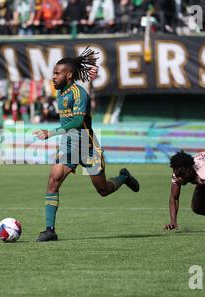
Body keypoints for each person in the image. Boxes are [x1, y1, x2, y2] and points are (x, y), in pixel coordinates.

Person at [33, 48, 140, 242]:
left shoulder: (78, 93)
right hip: (68, 145)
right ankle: (50, 230)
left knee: (103, 190)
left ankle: (124, 177)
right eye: (53, 73)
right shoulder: (61, 92)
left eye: (57, 73)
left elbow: (75, 123)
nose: (54, 77)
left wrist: (51, 133)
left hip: (87, 146)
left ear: (69, 75)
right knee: (53, 181)